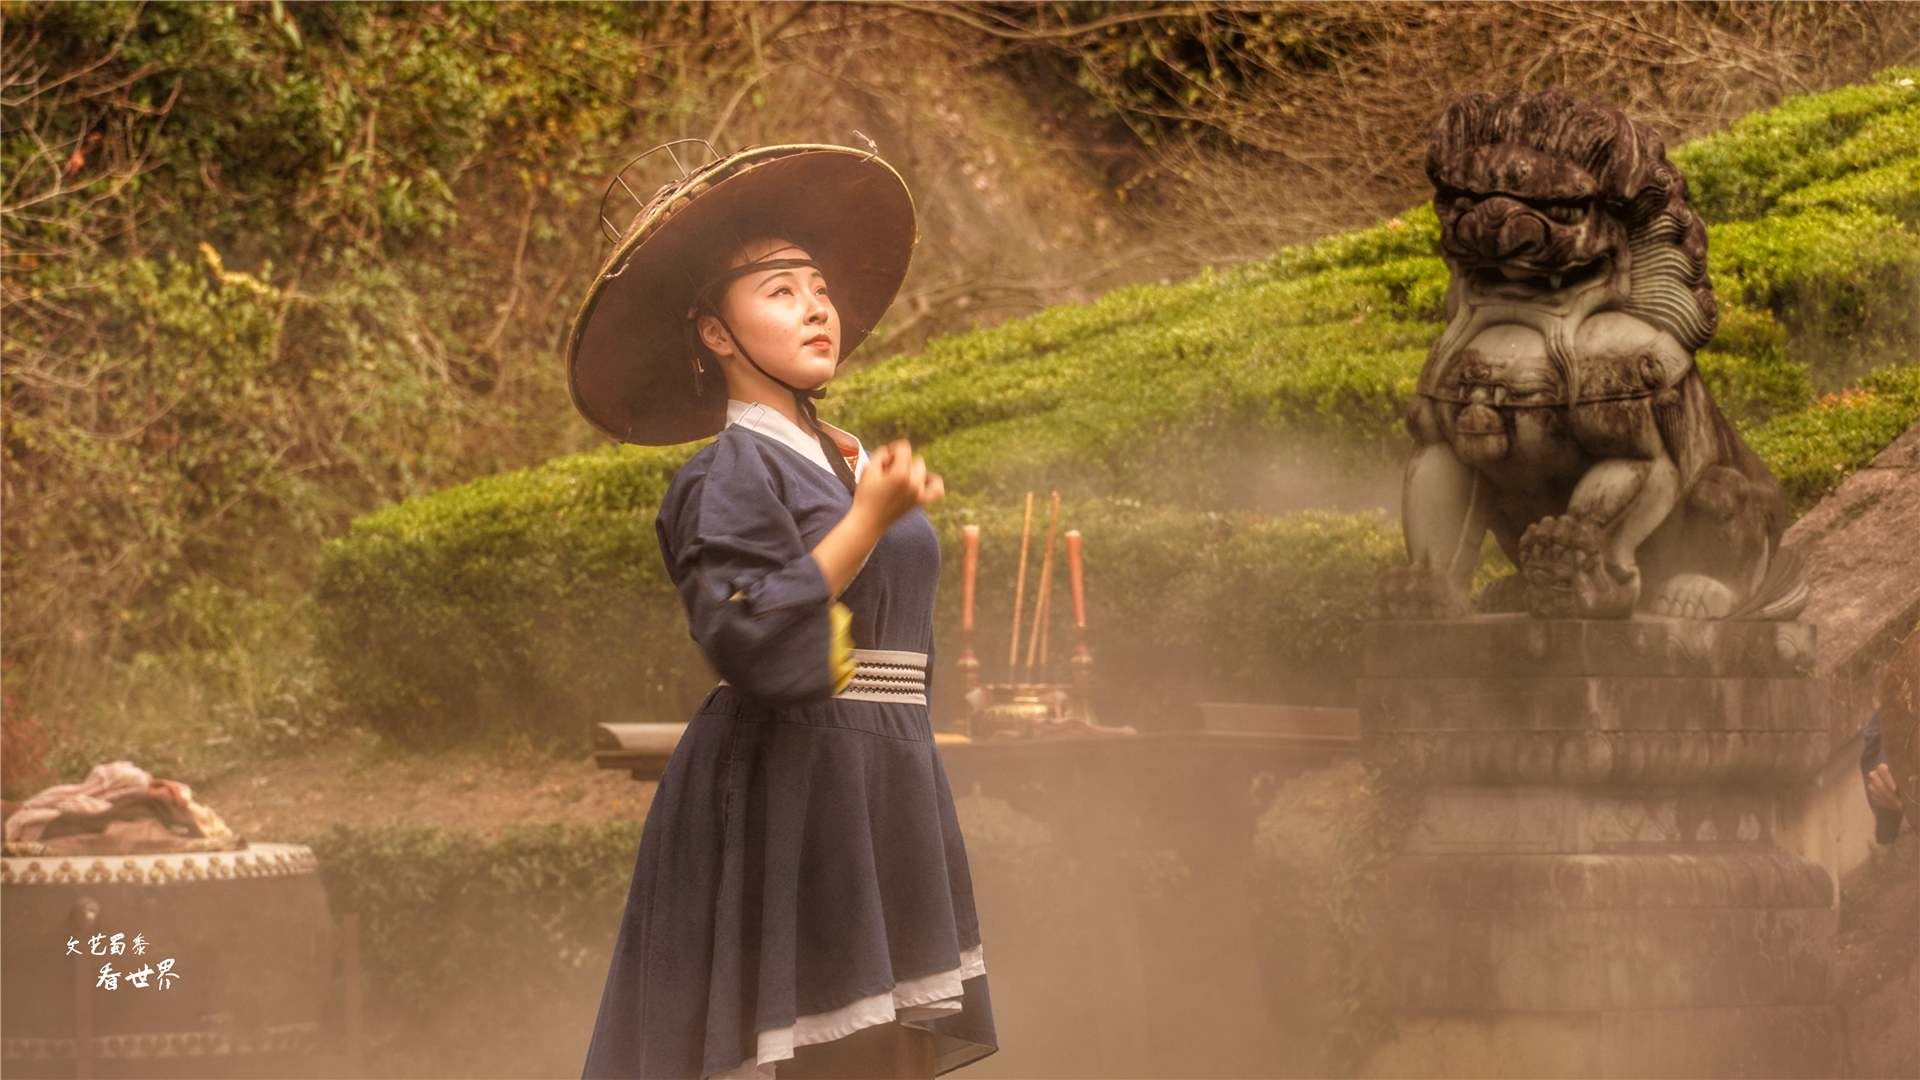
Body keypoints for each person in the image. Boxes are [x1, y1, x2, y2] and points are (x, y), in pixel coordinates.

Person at [568, 144, 996, 1080]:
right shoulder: (727, 473)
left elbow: (895, 641)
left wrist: (867, 504)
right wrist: (870, 519)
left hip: (883, 786)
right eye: (778, 290)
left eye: (819, 286)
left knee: (880, 1058)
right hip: (788, 790)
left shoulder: (842, 459)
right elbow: (755, 638)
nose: (815, 305)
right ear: (716, 335)